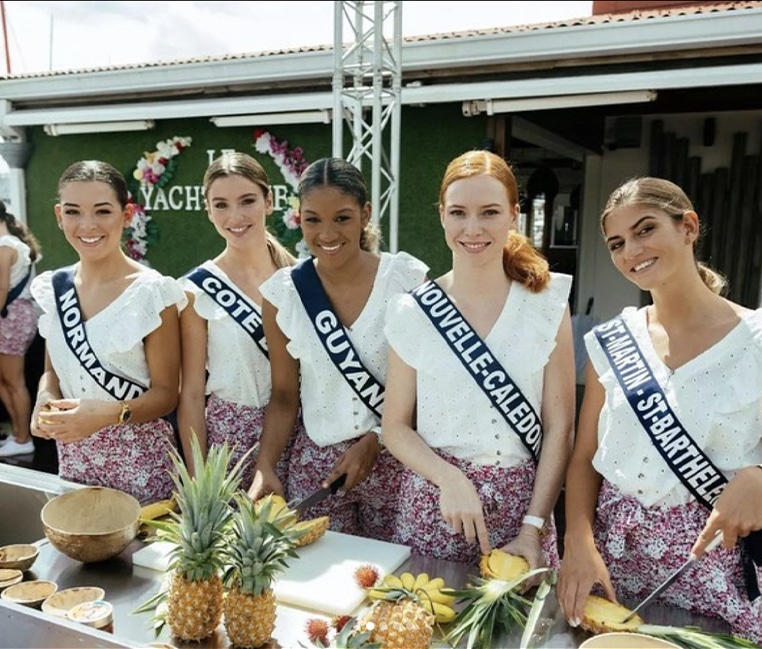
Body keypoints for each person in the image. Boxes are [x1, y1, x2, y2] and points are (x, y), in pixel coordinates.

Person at [557, 176, 762, 642]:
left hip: (713, 568)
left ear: (688, 227)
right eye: (617, 242)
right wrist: (578, 542)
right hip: (615, 563)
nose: (631, 250)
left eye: (645, 230)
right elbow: (584, 459)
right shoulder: (613, 342)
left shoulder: (756, 340)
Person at [381, 149, 575, 567]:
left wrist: (533, 526)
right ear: (442, 216)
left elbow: (560, 427)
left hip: (524, 512)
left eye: (489, 212)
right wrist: (448, 478)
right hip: (437, 504)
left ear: (513, 216)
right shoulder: (411, 310)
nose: (473, 228)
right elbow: (394, 427)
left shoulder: (548, 304)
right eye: (459, 213)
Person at [248, 157, 428, 542]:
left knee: (395, 586)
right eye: (313, 219)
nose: (327, 233)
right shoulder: (284, 295)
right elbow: (283, 396)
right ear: (298, 218)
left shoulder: (406, 280)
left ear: (364, 215)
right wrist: (265, 465)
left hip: (401, 460)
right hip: (320, 468)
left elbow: (428, 387)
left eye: (342, 218)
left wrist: (378, 439)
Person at [30, 160, 186, 503]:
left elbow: (166, 394)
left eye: (102, 211)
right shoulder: (55, 288)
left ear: (126, 215)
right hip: (73, 458)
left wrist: (107, 415)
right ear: (59, 216)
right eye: (73, 212)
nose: (87, 225)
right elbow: (52, 371)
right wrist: (44, 398)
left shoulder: (151, 291)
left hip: (141, 464)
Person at [177, 152, 298, 488]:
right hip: (229, 444)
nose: (235, 216)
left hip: (303, 437)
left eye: (247, 201)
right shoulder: (195, 290)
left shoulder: (301, 279)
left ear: (269, 201)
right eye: (221, 204)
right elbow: (190, 394)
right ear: (208, 210)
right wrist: (197, 476)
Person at [0, 200, 42, 458]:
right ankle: (18, 435)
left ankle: (23, 438)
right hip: (16, 317)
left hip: (9, 319)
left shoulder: (5, 247)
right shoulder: (13, 244)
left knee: (14, 382)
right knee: (6, 381)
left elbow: (1, 292)